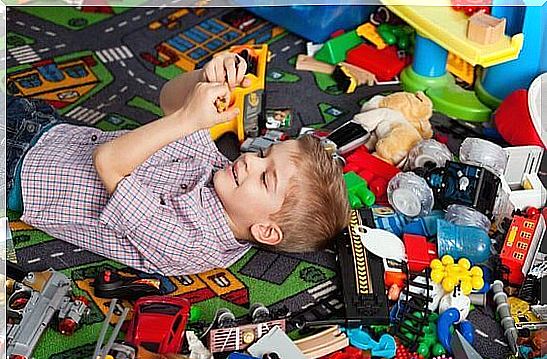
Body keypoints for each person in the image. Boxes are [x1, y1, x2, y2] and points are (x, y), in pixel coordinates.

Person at [7, 52, 351, 276]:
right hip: (46, 129)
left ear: (265, 230)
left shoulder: (191, 242)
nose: (248, 159)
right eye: (263, 156)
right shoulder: (222, 173)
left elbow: (108, 162)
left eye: (265, 178)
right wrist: (204, 79)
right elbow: (170, 103)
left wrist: (190, 119)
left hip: (19, 175)